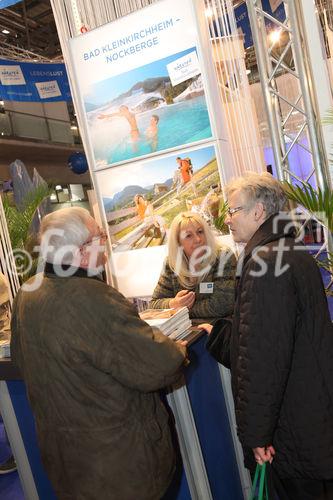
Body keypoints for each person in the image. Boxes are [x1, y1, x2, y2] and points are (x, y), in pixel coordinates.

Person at [10, 207, 187, 500]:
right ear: (81, 252)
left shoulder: (28, 292)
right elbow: (160, 366)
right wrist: (177, 349)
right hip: (118, 464)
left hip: (66, 460)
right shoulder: (94, 298)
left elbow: (20, 359)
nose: (104, 242)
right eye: (99, 236)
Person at [203, 172, 333, 499]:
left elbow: (264, 359)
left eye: (233, 211)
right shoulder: (289, 250)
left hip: (291, 425)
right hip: (307, 411)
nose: (227, 220)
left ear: (259, 212)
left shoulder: (266, 261)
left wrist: (256, 435)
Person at [150, 212, 235, 321]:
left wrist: (182, 310)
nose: (198, 239)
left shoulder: (223, 256)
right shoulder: (171, 264)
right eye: (188, 236)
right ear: (178, 242)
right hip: (185, 332)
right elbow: (153, 305)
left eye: (200, 232)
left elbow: (223, 305)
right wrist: (173, 303)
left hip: (219, 331)